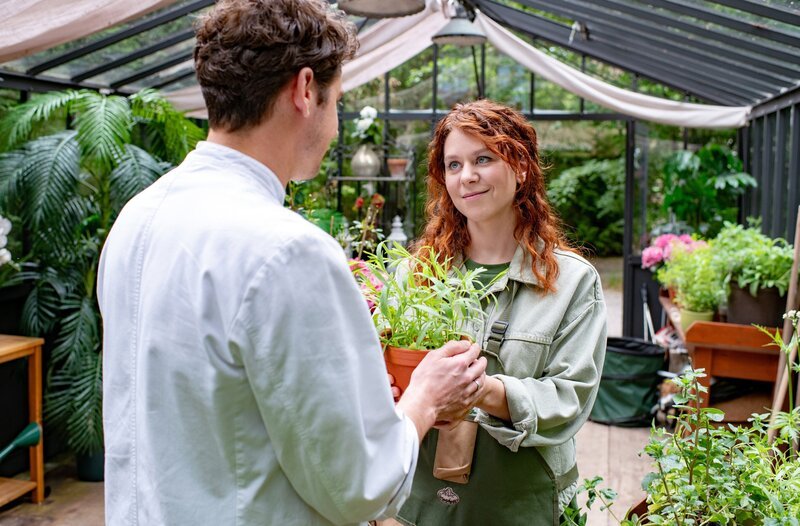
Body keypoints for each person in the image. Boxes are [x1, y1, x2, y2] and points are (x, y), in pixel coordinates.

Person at [97, 1, 487, 525]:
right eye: (337, 101)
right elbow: (357, 486)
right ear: (305, 90)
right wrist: (424, 398)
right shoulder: (287, 250)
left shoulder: (137, 218)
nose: (335, 125)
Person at [390, 100, 607, 526]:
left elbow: (570, 397)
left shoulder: (572, 282)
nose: (466, 176)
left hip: (522, 505)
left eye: (483, 159)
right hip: (417, 504)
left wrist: (480, 390)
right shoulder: (413, 274)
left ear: (521, 166)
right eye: (453, 165)